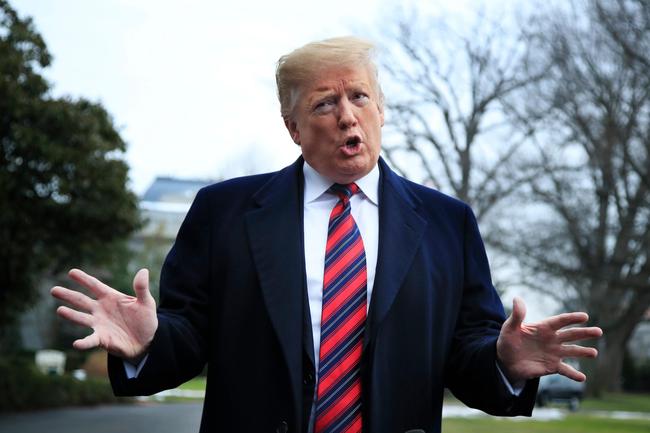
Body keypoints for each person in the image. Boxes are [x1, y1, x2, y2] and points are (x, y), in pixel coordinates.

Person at [51, 37, 602, 433]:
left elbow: (467, 355)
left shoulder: (446, 223)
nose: (346, 116)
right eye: (324, 103)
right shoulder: (225, 212)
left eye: (359, 97)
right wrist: (150, 341)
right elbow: (188, 336)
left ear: (381, 109)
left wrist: (503, 362)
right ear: (292, 128)